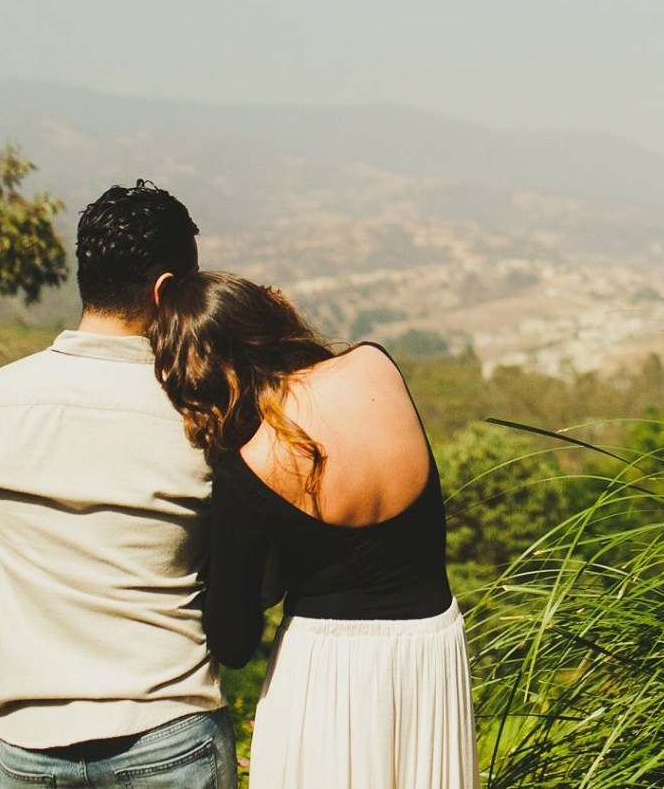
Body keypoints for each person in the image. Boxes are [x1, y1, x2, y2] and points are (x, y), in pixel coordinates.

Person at [0, 181, 236, 789]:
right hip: (171, 728)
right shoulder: (203, 417)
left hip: (29, 744)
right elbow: (247, 574)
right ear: (167, 291)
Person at [150, 271, 477, 789]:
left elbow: (232, 642)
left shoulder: (250, 464)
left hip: (326, 673)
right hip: (430, 655)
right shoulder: (376, 365)